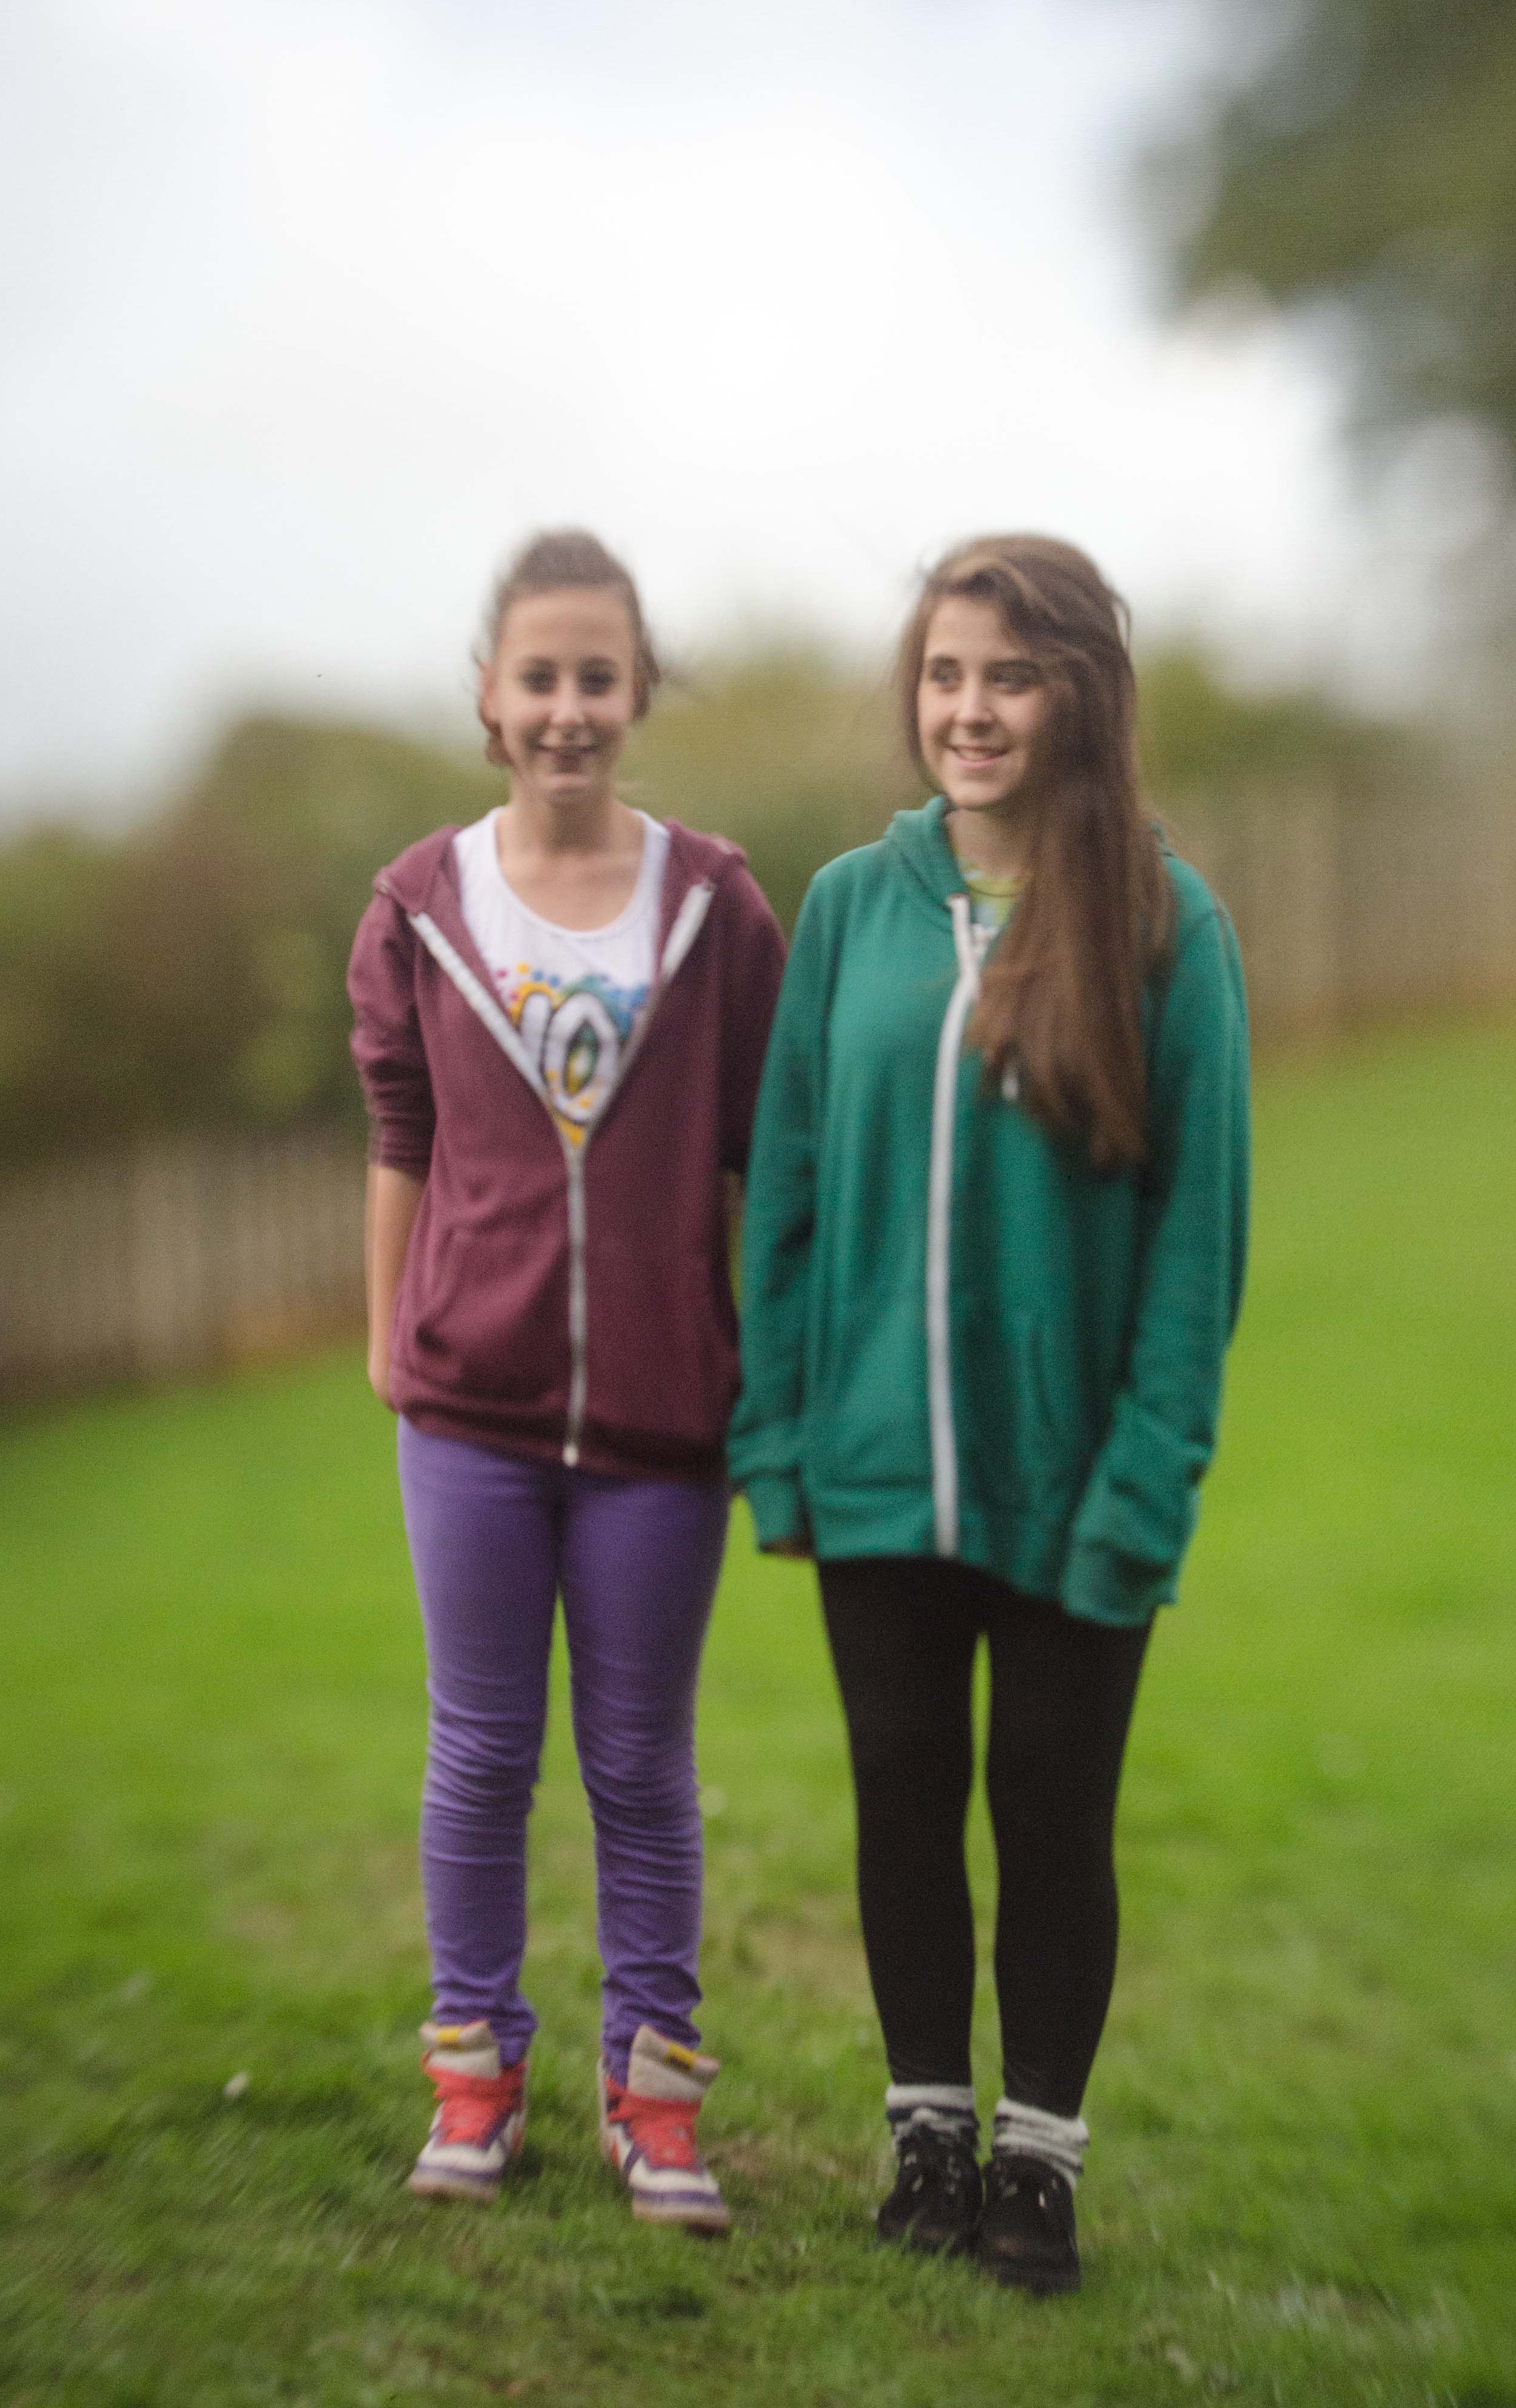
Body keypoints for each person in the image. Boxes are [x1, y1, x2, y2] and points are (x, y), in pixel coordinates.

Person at [728, 534, 1250, 2296]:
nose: (970, 710)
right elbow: (786, 1194)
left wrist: (1146, 1483)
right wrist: (778, 1438)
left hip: (1074, 1482)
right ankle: (928, 2135)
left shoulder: (1169, 926)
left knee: (1050, 1813)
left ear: (1080, 697)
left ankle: (1038, 2161)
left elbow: (1197, 1241)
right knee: (899, 1799)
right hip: (873, 1468)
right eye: (946, 675)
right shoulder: (847, 909)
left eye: (1010, 677)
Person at [347, 528, 785, 2227]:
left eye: (599, 676)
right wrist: (394, 1334)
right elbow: (401, 1133)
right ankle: (475, 2084)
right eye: (540, 677)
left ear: (639, 689)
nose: (569, 708)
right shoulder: (420, 904)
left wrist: (744, 1342)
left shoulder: (716, 905)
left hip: (664, 1424)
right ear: (490, 694)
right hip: (470, 1414)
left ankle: (653, 2101)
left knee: (640, 1765)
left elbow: (759, 1151)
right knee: (477, 1752)